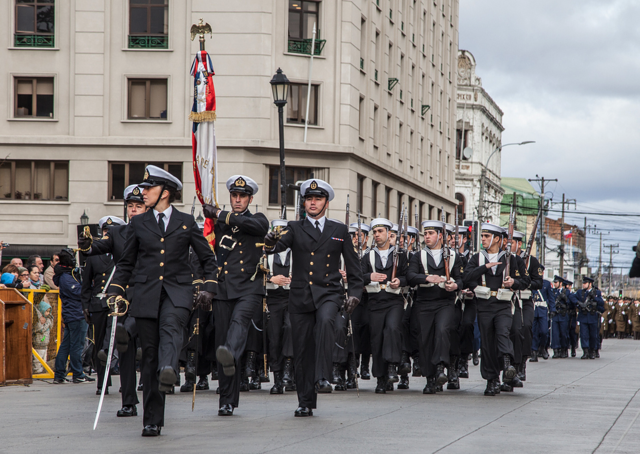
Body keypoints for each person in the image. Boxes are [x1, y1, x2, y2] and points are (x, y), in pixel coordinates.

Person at [106, 166, 217, 437]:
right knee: (150, 357)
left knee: (171, 328)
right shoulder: (138, 223)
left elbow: (207, 258)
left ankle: (169, 369)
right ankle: (152, 420)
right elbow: (126, 262)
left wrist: (209, 287)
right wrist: (114, 290)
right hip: (146, 295)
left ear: (165, 193)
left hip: (177, 293)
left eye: (148, 189)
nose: (143, 193)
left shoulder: (186, 221)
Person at [263, 178, 363, 417]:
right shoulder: (294, 227)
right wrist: (270, 243)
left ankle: (322, 376)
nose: (313, 202)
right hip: (300, 296)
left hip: (328, 292)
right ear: (304, 203)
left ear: (326, 202)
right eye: (309, 199)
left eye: (317, 199)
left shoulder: (338, 230)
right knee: (302, 349)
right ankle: (305, 402)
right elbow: (278, 245)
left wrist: (355, 294)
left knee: (327, 321)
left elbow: (354, 267)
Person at [201, 175, 268, 416]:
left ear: (250, 198)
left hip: (249, 287)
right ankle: (226, 400)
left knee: (237, 330)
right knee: (223, 344)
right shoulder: (217, 224)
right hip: (224, 288)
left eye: (242, 196)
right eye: (234, 196)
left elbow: (258, 229)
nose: (237, 199)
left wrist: (221, 214)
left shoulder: (257, 219)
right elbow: (207, 255)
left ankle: (230, 355)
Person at [79, 186, 146, 416]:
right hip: (124, 296)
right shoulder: (118, 233)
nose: (134, 211)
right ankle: (128, 401)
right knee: (125, 347)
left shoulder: (156, 232)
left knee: (149, 349)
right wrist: (86, 245)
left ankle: (152, 394)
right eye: (131, 207)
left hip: (148, 295)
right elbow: (98, 246)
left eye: (139, 206)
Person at [462, 223, 527, 396]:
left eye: (486, 236)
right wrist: (484, 268)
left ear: (497, 239)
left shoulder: (511, 259)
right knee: (487, 343)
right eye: (482, 236)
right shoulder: (477, 258)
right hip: (484, 305)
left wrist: (514, 282)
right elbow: (466, 278)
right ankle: (492, 380)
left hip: (503, 304)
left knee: (503, 333)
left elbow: (526, 282)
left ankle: (507, 364)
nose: (482, 239)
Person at [407, 220, 463, 394]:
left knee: (442, 330)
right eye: (426, 234)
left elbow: (462, 278)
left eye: (431, 234)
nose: (427, 237)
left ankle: (440, 367)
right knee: (425, 340)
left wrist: (455, 286)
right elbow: (410, 276)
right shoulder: (419, 256)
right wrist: (427, 278)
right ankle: (430, 378)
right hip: (424, 303)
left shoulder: (453, 256)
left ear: (440, 235)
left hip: (445, 302)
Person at [361, 218, 407, 394]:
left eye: (380, 231)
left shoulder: (400, 255)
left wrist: (400, 280)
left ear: (389, 233)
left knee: (393, 329)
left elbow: (408, 276)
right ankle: (381, 378)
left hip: (393, 300)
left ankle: (392, 367)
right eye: (375, 232)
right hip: (375, 302)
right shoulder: (368, 256)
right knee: (377, 338)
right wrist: (369, 277)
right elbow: (358, 275)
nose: (377, 235)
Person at [81, 216, 124, 397]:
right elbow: (86, 283)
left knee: (121, 342)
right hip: (99, 303)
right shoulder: (94, 255)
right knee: (100, 345)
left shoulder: (123, 252)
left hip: (118, 303)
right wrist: (85, 305)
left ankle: (127, 380)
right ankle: (102, 383)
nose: (108, 234)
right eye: (106, 231)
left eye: (111, 231)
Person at [53, 249, 95, 385]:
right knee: (77, 345)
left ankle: (60, 374)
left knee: (67, 345)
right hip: (76, 314)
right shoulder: (66, 277)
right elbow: (78, 292)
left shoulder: (67, 275)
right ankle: (77, 374)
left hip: (73, 314)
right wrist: (88, 284)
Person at [265, 219, 294, 394]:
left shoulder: (297, 253)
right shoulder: (265, 253)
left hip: (293, 298)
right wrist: (270, 279)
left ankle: (288, 371)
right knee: (274, 337)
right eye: (278, 231)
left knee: (290, 328)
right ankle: (277, 379)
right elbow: (253, 273)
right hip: (273, 299)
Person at [575, 277, 604, 359]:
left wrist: (594, 298)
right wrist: (579, 303)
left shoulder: (596, 292)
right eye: (583, 283)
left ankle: (592, 351)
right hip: (583, 317)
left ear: (590, 284)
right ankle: (585, 351)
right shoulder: (580, 292)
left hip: (593, 316)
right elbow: (572, 298)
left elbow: (601, 303)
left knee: (593, 335)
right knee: (584, 335)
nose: (583, 285)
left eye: (585, 283)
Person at [531, 274, 555, 362]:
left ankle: (542, 347)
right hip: (533, 310)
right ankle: (534, 352)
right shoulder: (531, 283)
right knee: (534, 332)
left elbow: (551, 298)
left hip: (543, 310)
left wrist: (552, 309)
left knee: (544, 331)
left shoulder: (546, 284)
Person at [32, 300, 54, 374]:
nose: (47, 314)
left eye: (49, 312)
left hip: (45, 343)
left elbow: (51, 326)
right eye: (46, 311)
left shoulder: (47, 319)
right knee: (37, 359)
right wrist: (48, 322)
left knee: (44, 358)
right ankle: (37, 370)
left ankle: (43, 370)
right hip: (38, 343)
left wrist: (49, 319)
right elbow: (40, 329)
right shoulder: (37, 321)